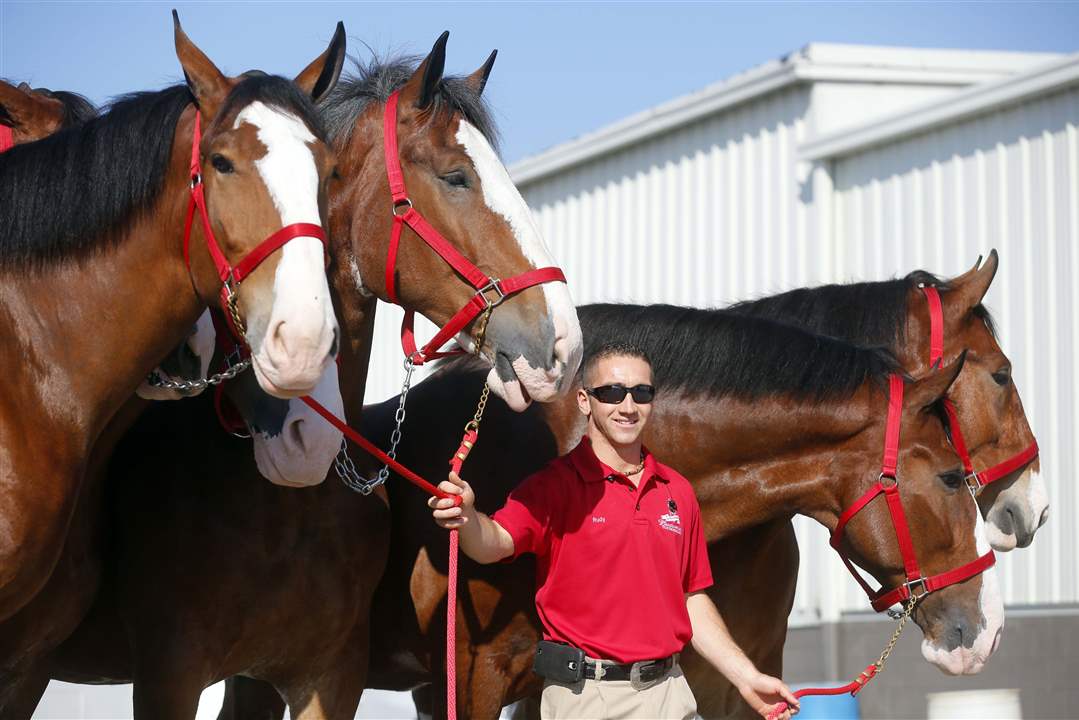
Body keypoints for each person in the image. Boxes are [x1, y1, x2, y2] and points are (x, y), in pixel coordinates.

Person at [430, 343, 799, 720]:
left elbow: (691, 599)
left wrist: (746, 676)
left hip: (669, 695)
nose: (628, 406)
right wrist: (468, 517)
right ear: (585, 401)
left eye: (641, 393)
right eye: (611, 392)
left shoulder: (677, 491)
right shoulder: (554, 487)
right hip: (585, 699)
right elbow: (494, 543)